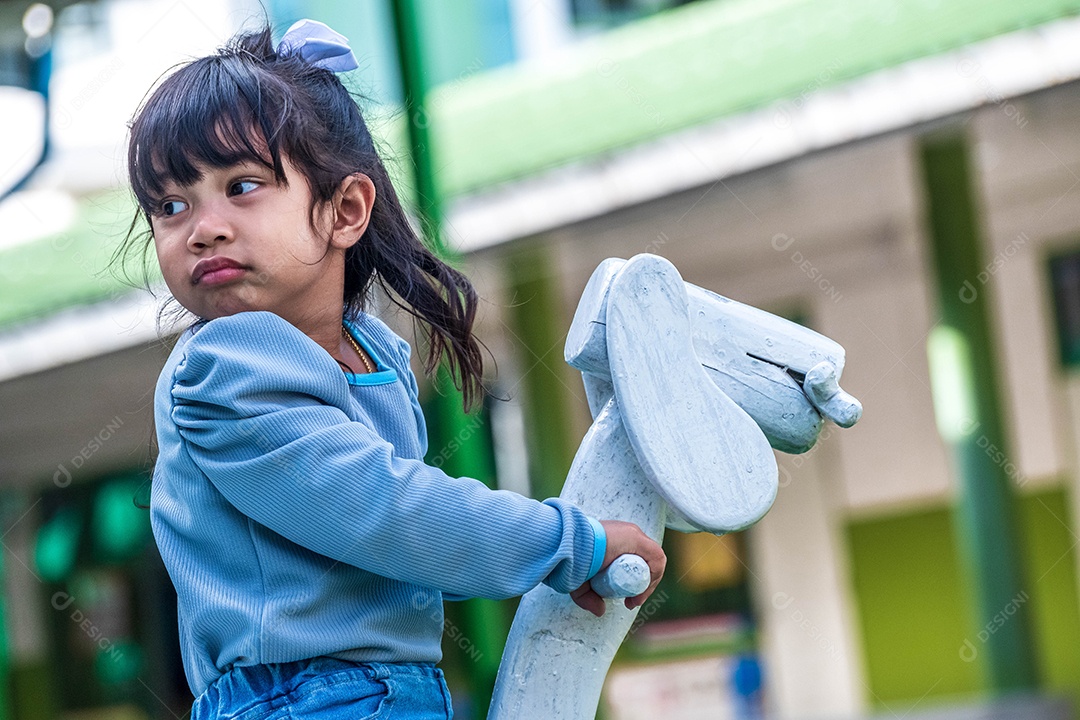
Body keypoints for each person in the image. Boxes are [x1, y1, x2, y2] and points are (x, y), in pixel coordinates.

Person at [124, 18, 666, 720]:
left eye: (243, 185)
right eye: (171, 204)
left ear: (345, 210)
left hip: (382, 691)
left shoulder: (373, 351)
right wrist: (569, 541)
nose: (203, 226)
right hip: (303, 699)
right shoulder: (224, 369)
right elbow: (388, 509)